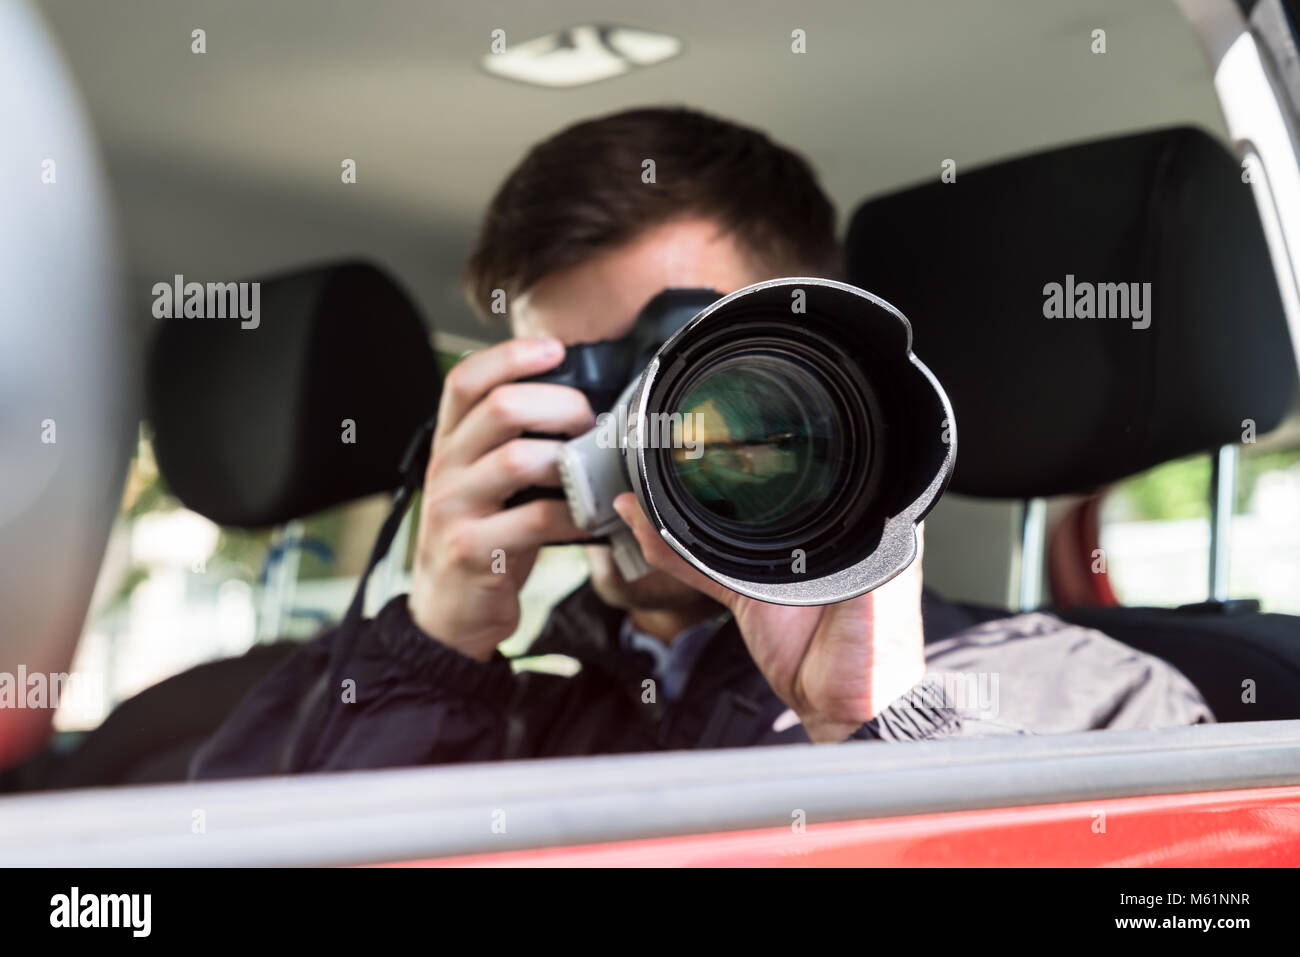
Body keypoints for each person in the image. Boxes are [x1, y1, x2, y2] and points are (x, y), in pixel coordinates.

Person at [192, 107, 1210, 778]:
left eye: (690, 365)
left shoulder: (1081, 705)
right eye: (573, 381)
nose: (649, 428)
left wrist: (883, 728)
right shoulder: (463, 712)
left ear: (826, 376)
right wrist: (431, 650)